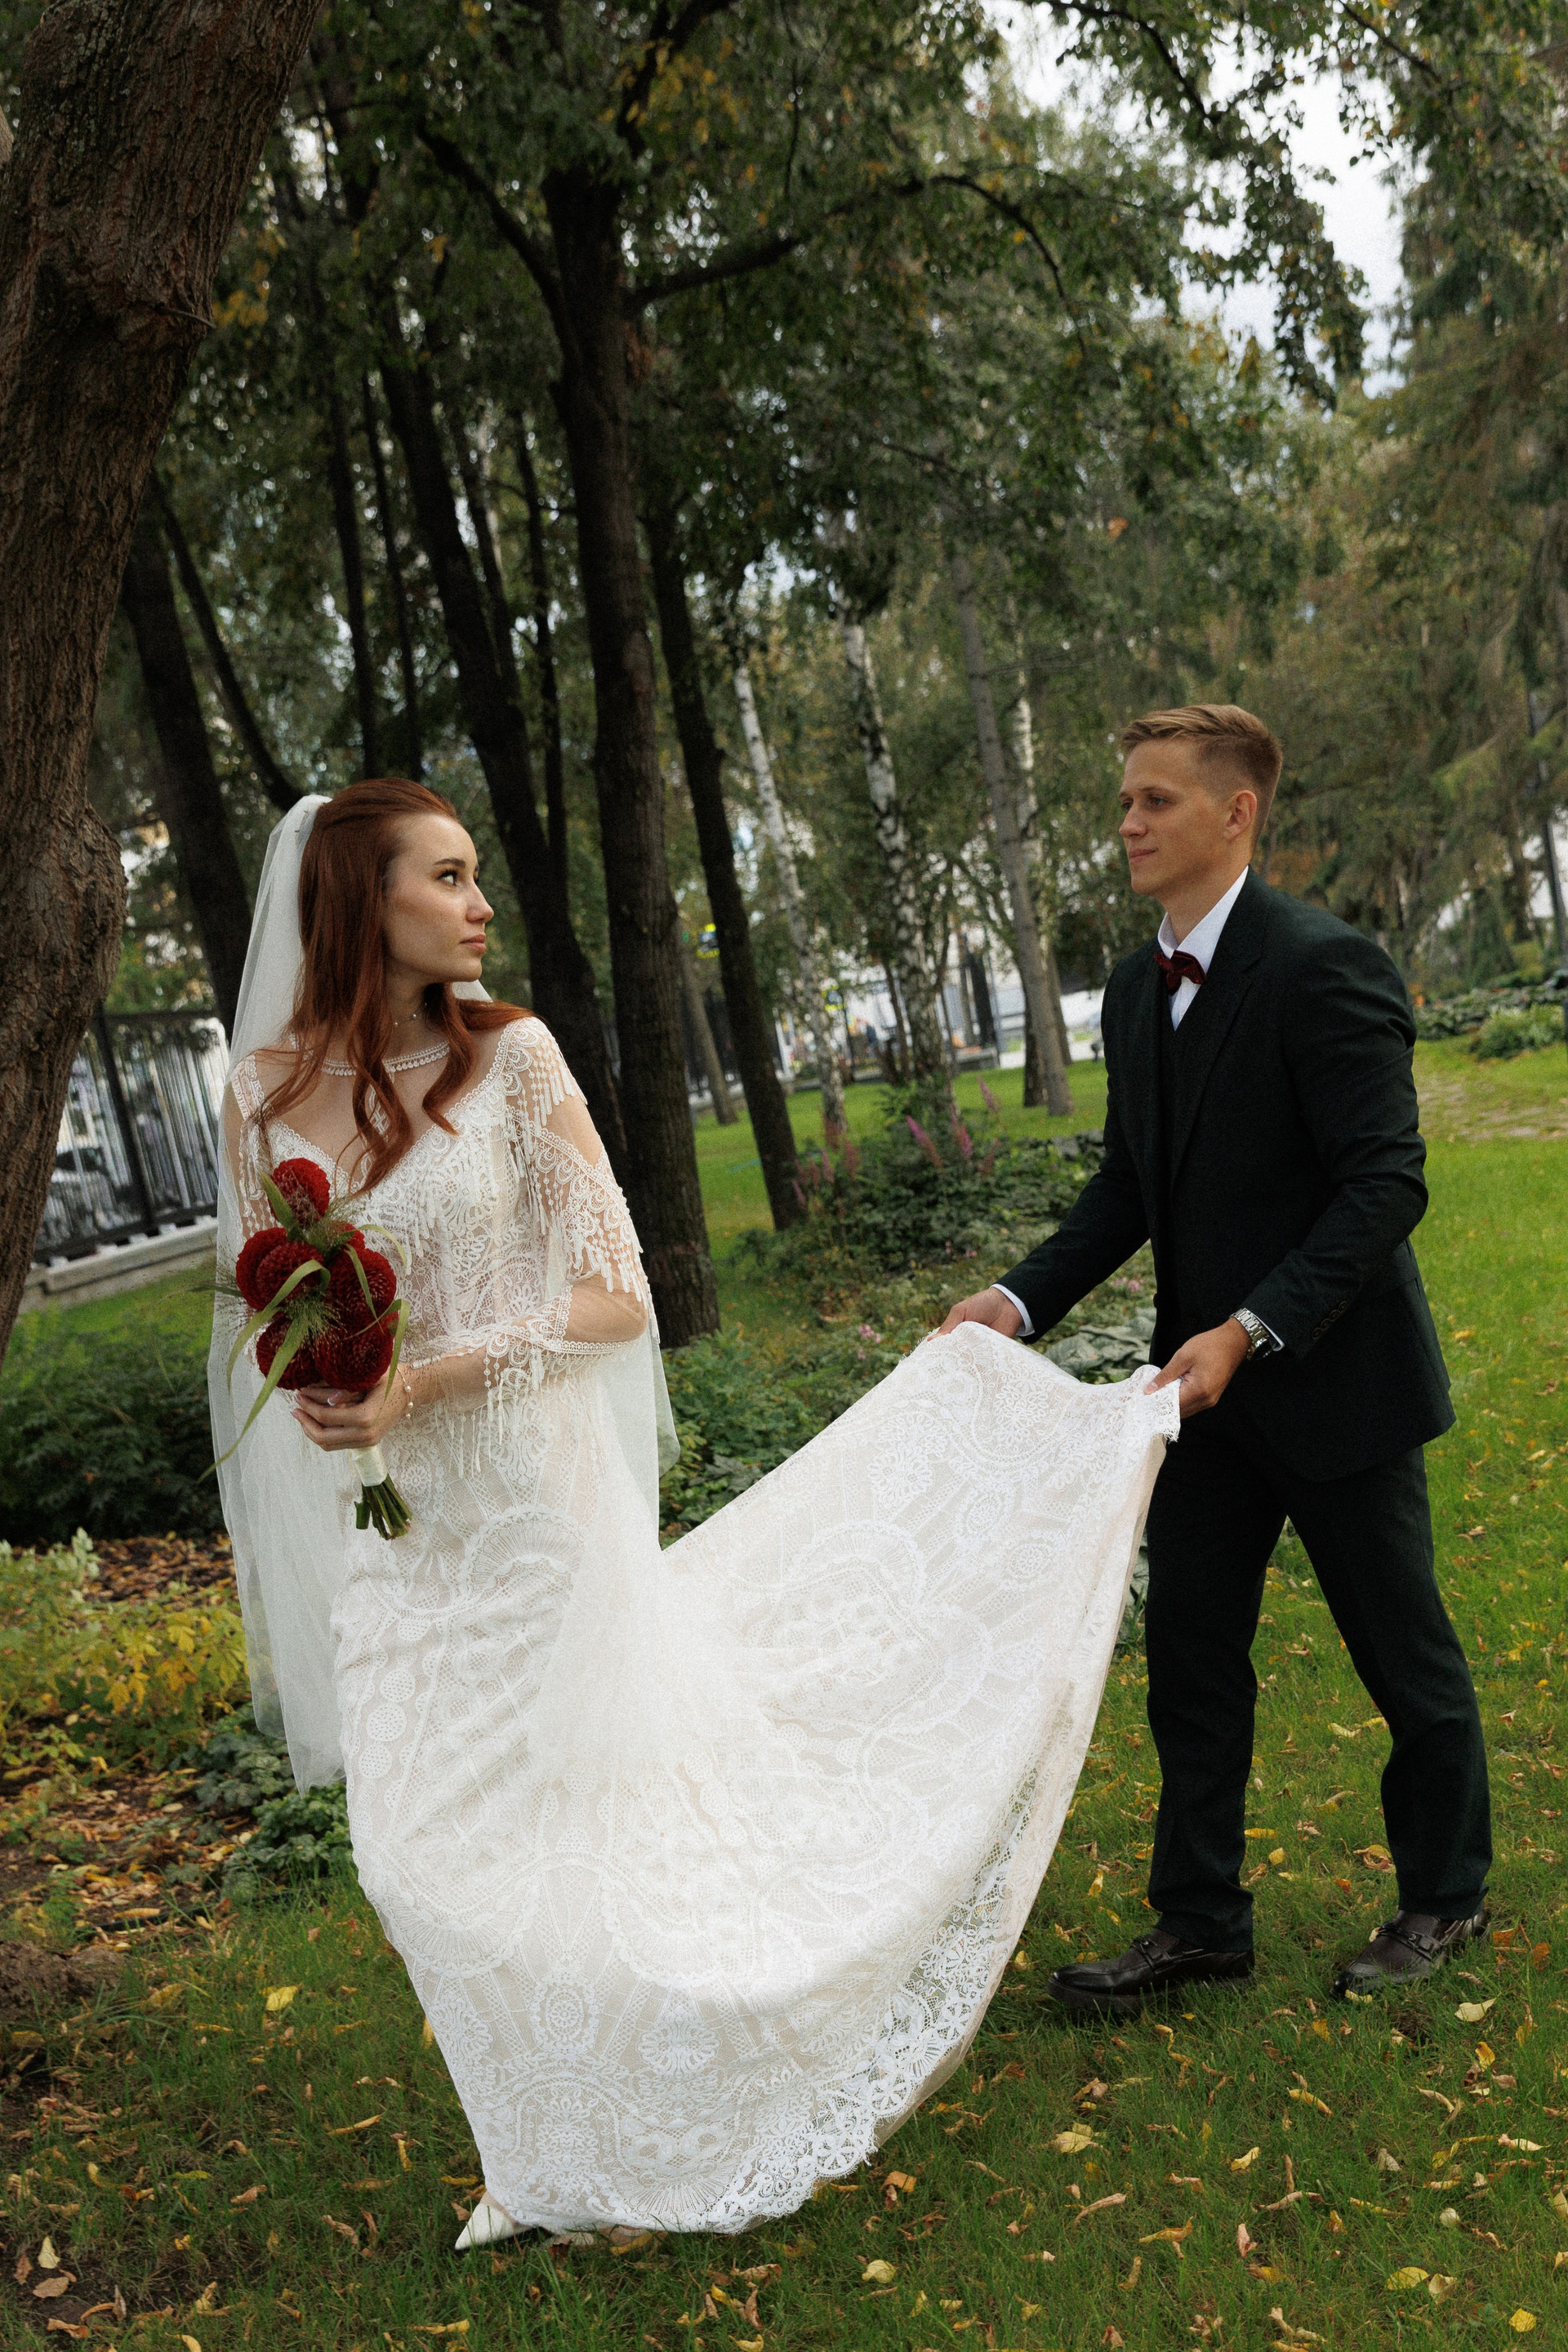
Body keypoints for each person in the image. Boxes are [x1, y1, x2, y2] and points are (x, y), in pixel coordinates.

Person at [210, 779, 1179, 2245]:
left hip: (533, 1512)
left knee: (587, 1834)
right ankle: (561, 2121)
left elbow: (617, 1297)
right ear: (362, 898)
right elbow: (273, 1300)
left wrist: (429, 1379)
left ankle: (603, 2144)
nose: (480, 904)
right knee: (410, 1855)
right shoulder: (262, 1093)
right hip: (401, 1527)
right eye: (447, 876)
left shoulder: (513, 1060)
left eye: (476, 873)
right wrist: (327, 1384)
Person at [941, 703, 1490, 2015]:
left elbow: (1384, 1184)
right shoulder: (1137, 989)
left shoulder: (1325, 966)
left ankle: (1446, 1894)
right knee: (1191, 1660)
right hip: (1196, 1404)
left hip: (1339, 1383)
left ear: (1236, 812)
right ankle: (1199, 1923)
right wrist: (1015, 1301)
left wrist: (1252, 1328)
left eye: (1156, 800)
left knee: (1403, 1655)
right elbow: (1131, 1186)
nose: (1127, 824)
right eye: (1125, 800)